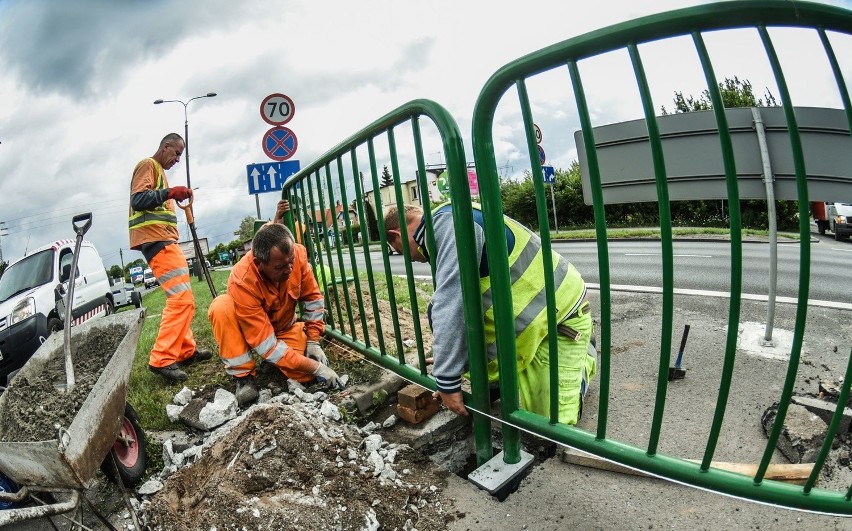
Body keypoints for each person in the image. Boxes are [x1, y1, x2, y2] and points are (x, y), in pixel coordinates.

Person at [385, 203, 597, 425]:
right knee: (469, 360)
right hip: (529, 321)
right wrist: (451, 359)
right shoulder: (451, 217)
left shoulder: (448, 223)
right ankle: (501, 381)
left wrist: (446, 379)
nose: (407, 258)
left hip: (562, 315)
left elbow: (450, 303)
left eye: (398, 250)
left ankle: (585, 356)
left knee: (554, 424)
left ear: (395, 234)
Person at [207, 221, 344, 407]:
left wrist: (313, 341)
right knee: (221, 306)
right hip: (253, 334)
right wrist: (317, 367)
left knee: (303, 373)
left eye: (291, 262)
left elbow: (313, 298)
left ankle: (276, 358)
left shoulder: (297, 254)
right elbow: (266, 344)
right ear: (259, 264)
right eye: (280, 267)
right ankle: (244, 377)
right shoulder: (242, 280)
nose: (289, 270)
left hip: (283, 328)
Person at [129, 133, 212, 383]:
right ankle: (162, 358)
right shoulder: (148, 165)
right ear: (165, 147)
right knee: (181, 300)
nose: (177, 159)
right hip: (157, 241)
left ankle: (185, 350)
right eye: (176, 153)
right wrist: (169, 193)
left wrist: (171, 192)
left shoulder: (159, 172)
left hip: (162, 240)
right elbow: (138, 199)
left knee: (182, 296)